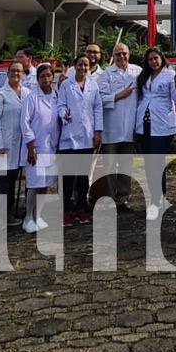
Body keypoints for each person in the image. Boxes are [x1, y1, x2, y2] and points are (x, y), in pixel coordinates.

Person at [135, 47, 176, 221]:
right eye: (150, 60)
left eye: (156, 58)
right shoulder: (144, 76)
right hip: (144, 124)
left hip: (162, 125)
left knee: (157, 162)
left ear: (162, 59)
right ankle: (155, 198)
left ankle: (157, 201)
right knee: (149, 164)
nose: (153, 62)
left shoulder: (170, 75)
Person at [58, 54, 103, 226]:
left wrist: (98, 131)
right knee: (68, 176)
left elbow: (98, 108)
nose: (83, 68)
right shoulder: (66, 85)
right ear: (74, 67)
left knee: (83, 176)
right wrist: (64, 114)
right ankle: (66, 211)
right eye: (79, 65)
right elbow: (60, 106)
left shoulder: (93, 86)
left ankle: (81, 208)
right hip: (69, 136)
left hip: (87, 136)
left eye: (85, 65)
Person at [97, 43, 142, 213]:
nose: (121, 57)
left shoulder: (137, 72)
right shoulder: (106, 75)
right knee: (109, 166)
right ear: (113, 56)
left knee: (125, 165)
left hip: (129, 127)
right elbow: (100, 99)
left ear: (129, 55)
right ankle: (109, 200)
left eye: (124, 53)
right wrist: (118, 96)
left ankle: (122, 199)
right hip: (111, 128)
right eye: (118, 54)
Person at [0, 61, 29, 235]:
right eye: (12, 71)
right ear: (7, 73)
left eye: (19, 71)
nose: (15, 74)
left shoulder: (27, 93)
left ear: (23, 74)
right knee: (3, 182)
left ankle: (10, 214)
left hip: (20, 145)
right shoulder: (0, 94)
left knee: (13, 179)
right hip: (4, 145)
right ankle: (0, 217)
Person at [20, 63, 60, 233]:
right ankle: (28, 216)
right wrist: (30, 147)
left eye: (48, 75)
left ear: (52, 77)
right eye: (42, 76)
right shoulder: (32, 98)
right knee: (34, 183)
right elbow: (25, 123)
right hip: (35, 148)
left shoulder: (56, 96)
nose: (46, 78)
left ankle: (39, 215)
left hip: (50, 147)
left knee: (45, 184)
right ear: (38, 79)